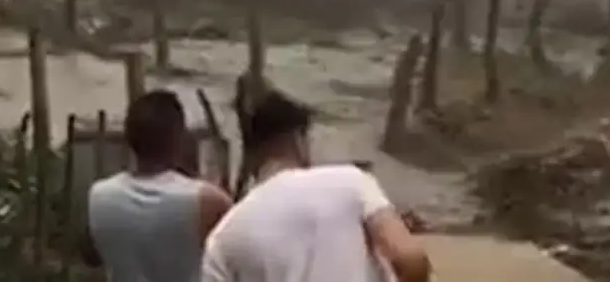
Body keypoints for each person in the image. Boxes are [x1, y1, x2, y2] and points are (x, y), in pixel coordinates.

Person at [201, 89, 432, 282]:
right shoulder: (351, 181)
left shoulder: (224, 236)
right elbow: (410, 259)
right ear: (299, 140)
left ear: (250, 153)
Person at [85, 89, 233, 282]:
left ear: (128, 137)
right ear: (179, 138)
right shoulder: (208, 201)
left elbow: (91, 255)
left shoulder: (100, 195)